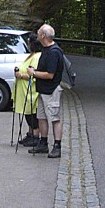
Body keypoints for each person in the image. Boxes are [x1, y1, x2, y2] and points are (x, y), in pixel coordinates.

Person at [23, 24, 64, 158]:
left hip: (51, 90)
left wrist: (33, 73)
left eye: (39, 32)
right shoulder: (46, 49)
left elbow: (50, 74)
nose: (38, 35)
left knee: (54, 118)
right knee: (41, 117)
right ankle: (43, 143)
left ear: (43, 36)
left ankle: (57, 146)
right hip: (42, 90)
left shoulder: (54, 52)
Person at [13, 33, 41, 148]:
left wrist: (20, 75)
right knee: (27, 113)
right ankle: (30, 134)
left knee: (31, 114)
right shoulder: (31, 55)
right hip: (23, 89)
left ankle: (35, 136)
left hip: (30, 90)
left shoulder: (37, 56)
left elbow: (32, 73)